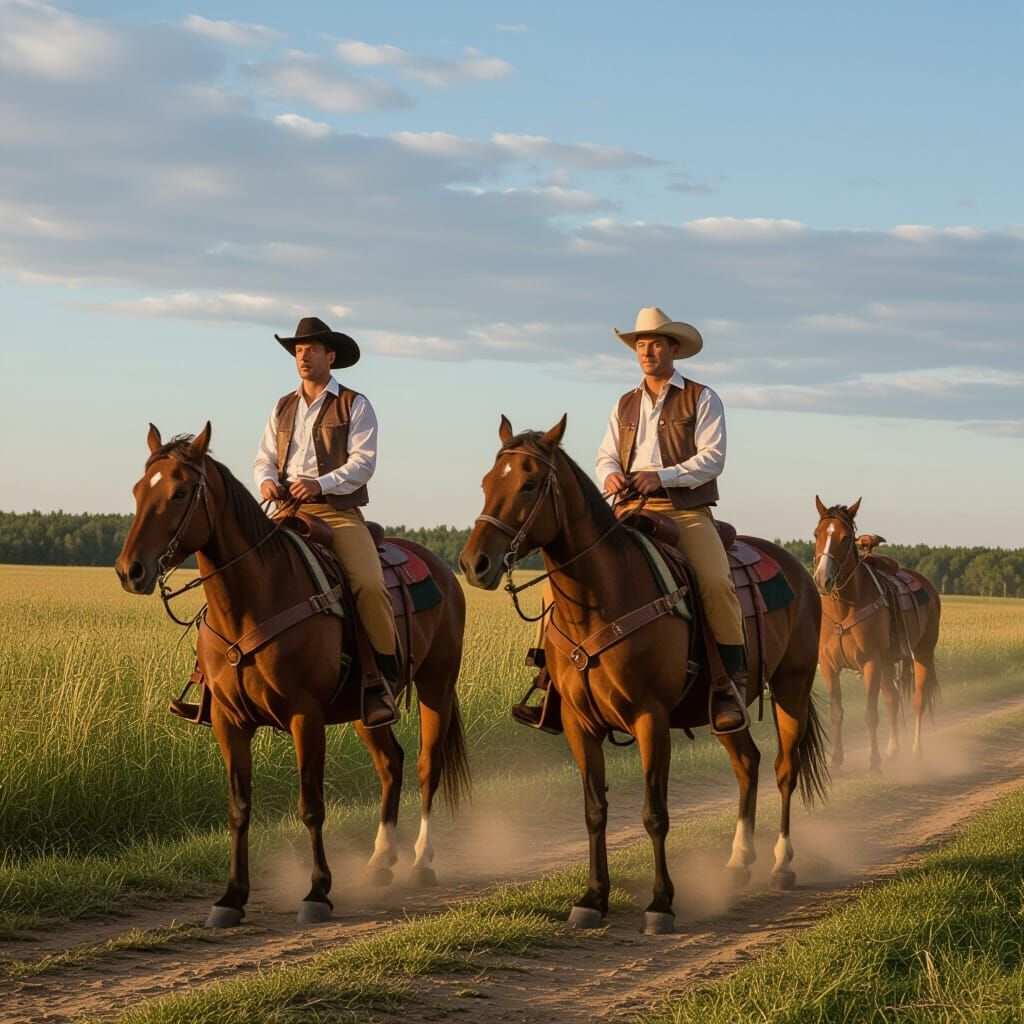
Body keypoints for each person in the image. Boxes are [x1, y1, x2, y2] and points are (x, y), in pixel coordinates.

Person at [513, 306, 748, 734]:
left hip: (684, 511)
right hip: (624, 509)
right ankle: (551, 682)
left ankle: (728, 684)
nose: (647, 351)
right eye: (641, 345)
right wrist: (612, 474)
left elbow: (712, 459)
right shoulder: (624, 403)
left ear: (673, 348)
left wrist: (662, 476)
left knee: (715, 582)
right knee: (562, 584)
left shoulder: (702, 397)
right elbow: (606, 455)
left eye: (655, 343)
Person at [253, 316, 399, 728]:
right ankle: (215, 678)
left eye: (311, 350)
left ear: (330, 356)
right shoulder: (281, 406)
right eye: (299, 351)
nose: (303, 356)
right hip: (283, 512)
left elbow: (363, 464)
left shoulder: (355, 403)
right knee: (238, 568)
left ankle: (381, 681)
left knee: (369, 585)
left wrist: (320, 484)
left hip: (336, 512)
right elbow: (264, 456)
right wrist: (265, 481)